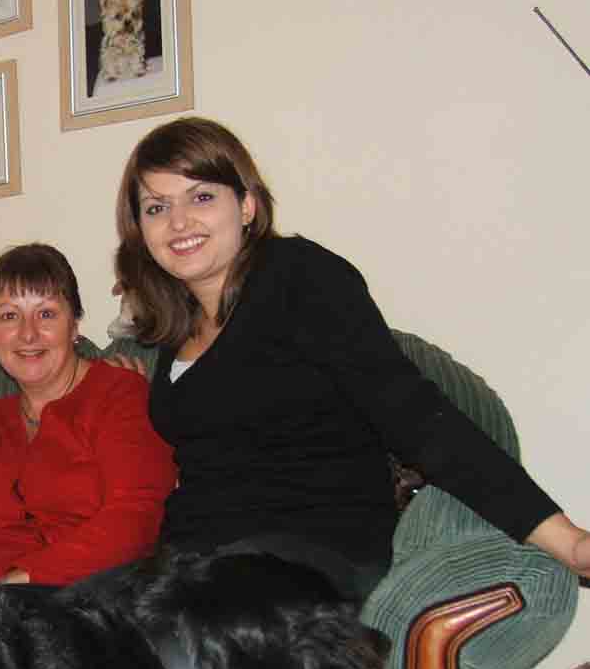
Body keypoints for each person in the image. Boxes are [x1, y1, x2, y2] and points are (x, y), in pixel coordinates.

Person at [112, 116, 590, 600]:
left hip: (309, 553)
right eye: (156, 206)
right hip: (193, 561)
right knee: (52, 630)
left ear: (248, 205)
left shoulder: (297, 277)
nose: (178, 222)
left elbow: (416, 416)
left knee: (181, 636)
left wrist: (568, 542)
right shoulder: (173, 330)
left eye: (202, 196)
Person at [0, 243, 176, 586]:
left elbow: (136, 518)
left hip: (99, 600)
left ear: (74, 325)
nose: (28, 333)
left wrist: (24, 579)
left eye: (47, 314)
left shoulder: (120, 394)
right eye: (9, 315)